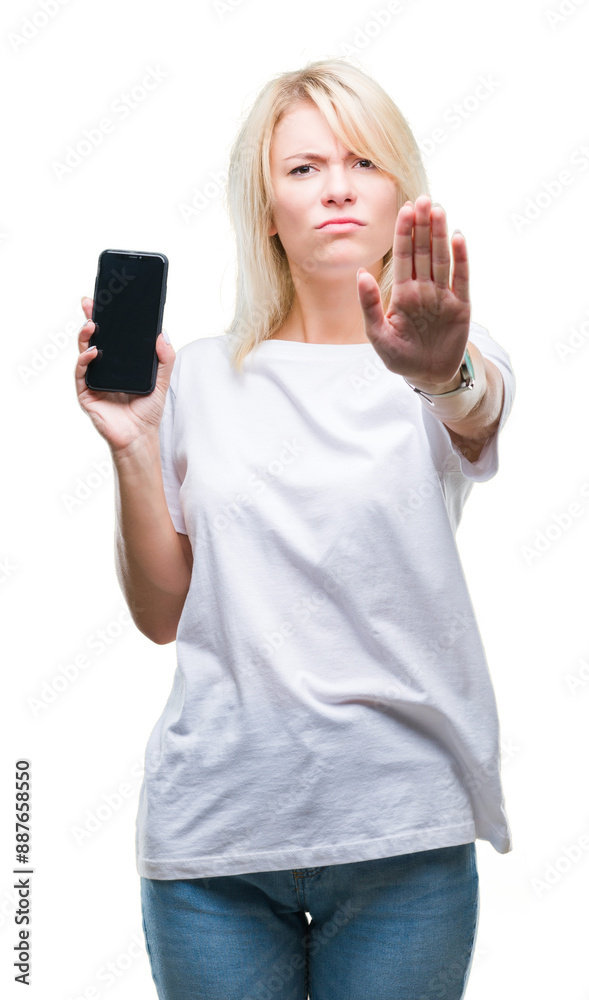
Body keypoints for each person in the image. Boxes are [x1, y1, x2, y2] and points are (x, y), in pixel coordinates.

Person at [75, 57, 515, 1000]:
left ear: (402, 191)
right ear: (265, 209)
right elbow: (163, 613)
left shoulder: (446, 363)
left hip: (399, 835)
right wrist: (132, 443)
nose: (338, 187)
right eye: (303, 167)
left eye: (362, 160)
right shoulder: (193, 375)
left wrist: (438, 370)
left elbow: (474, 406)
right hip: (212, 840)